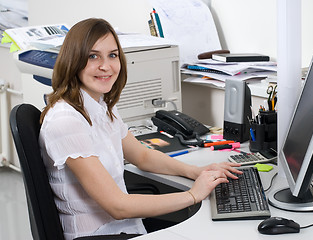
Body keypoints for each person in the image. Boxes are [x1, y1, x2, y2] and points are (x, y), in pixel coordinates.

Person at [39, 18, 242, 240]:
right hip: (99, 234)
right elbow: (119, 207)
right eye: (93, 56)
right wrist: (193, 195)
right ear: (73, 60)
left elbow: (142, 156)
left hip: (124, 228)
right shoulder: (66, 121)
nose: (106, 66)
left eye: (113, 55)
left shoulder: (99, 106)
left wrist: (196, 172)